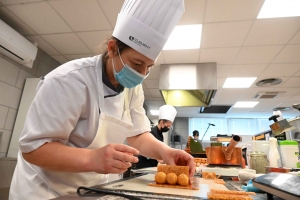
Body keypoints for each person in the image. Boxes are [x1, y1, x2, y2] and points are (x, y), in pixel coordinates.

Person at [9, 1, 194, 199]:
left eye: (149, 67)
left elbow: (138, 135)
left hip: (93, 190)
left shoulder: (133, 89)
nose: (141, 74)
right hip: (46, 190)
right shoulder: (69, 81)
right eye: (137, 63)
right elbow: (33, 149)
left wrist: (166, 152)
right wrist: (92, 158)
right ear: (113, 48)